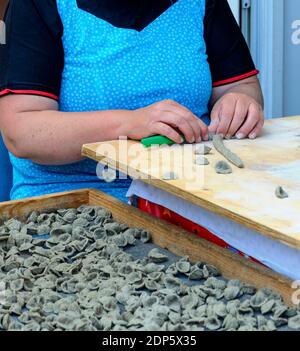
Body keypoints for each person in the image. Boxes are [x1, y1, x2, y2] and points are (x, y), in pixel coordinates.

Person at [0, 0, 263, 202]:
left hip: (192, 194)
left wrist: (239, 102)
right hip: (76, 202)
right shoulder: (39, 4)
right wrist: (128, 123)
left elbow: (241, 86)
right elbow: (22, 132)